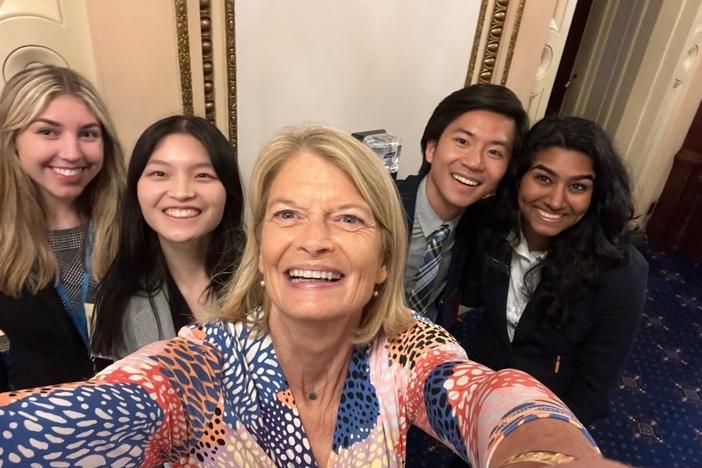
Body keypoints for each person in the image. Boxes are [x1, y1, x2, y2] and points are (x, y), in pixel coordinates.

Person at [1, 124, 621, 468]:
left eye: (350, 220)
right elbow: (81, 419)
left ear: (383, 263)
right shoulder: (202, 366)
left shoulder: (404, 351)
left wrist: (551, 457)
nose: (315, 241)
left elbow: (488, 396)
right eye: (289, 214)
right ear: (261, 248)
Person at [461, 115, 648, 426]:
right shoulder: (490, 223)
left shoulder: (622, 272)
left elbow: (593, 390)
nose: (556, 200)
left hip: (549, 410)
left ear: (596, 194)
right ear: (519, 176)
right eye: (544, 179)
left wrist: (544, 438)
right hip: (481, 387)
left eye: (577, 186)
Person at [0, 65, 125, 390]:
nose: (72, 153)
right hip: (45, 423)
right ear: (13, 140)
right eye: (47, 132)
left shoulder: (135, 221)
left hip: (137, 419)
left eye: (87, 133)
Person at [90, 115, 244, 360]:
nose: (182, 192)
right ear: (136, 188)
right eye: (160, 173)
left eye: (202, 175)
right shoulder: (117, 298)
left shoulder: (263, 281)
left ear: (228, 189)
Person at [396, 84, 528, 326]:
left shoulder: (481, 228)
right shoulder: (382, 208)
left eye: (495, 152)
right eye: (462, 141)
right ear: (431, 148)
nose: (474, 162)